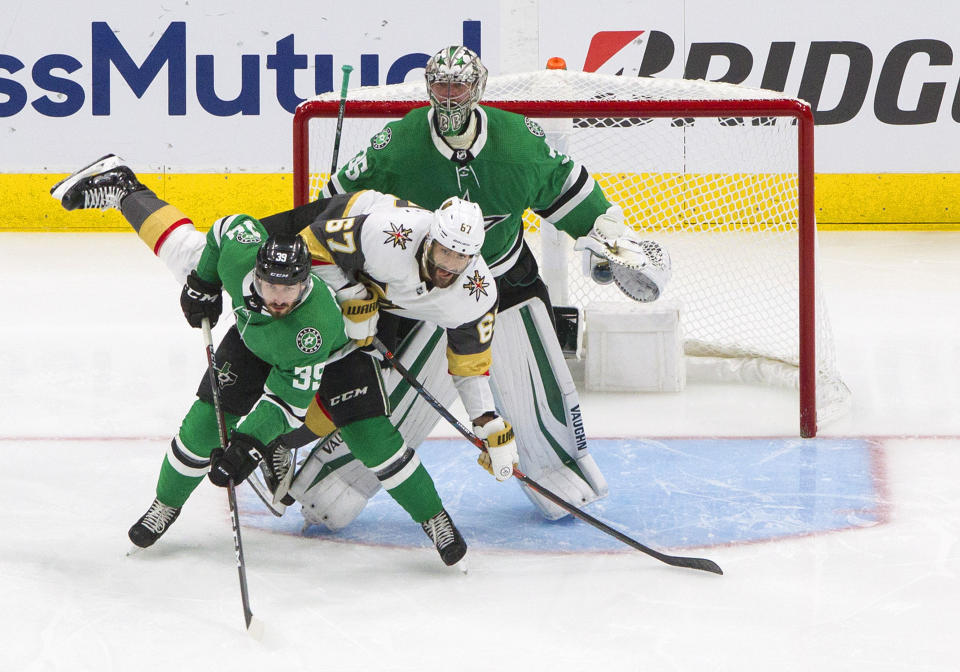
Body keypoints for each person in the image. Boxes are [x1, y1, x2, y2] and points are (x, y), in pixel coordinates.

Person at [49, 155, 493, 567]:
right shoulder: (264, 258)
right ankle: (123, 186)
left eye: (460, 257)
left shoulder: (314, 328)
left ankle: (431, 516)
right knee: (204, 409)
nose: (278, 299)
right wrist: (204, 282)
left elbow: (286, 400)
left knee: (369, 433)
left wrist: (249, 443)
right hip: (323, 246)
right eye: (268, 287)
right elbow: (228, 231)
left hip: (329, 338)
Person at [312, 45, 671, 522]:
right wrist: (343, 275)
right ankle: (334, 476)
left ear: (478, 86)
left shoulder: (517, 139)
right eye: (440, 85)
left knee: (536, 387)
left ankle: (557, 469)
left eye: (459, 85)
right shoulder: (398, 144)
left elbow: (567, 188)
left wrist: (609, 240)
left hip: (506, 282)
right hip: (424, 289)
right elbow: (335, 205)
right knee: (394, 397)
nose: (449, 96)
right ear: (427, 86)